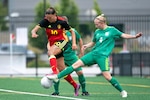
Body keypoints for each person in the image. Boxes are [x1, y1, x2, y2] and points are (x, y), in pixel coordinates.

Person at [46, 14, 143, 98]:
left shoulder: (112, 30)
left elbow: (123, 35)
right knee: (75, 65)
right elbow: (93, 43)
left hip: (102, 56)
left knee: (107, 76)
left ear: (102, 22)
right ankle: (57, 77)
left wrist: (134, 37)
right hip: (93, 54)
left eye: (96, 24)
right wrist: (86, 46)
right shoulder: (97, 32)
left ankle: (122, 91)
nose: (95, 26)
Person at [31, 7, 80, 96]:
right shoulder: (45, 21)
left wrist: (73, 44)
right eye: (47, 17)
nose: (48, 19)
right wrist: (33, 33)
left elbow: (72, 32)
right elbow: (35, 29)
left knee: (50, 53)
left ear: (55, 15)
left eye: (50, 17)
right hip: (54, 45)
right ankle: (75, 85)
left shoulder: (62, 22)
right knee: (61, 69)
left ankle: (54, 72)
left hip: (63, 42)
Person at [51, 16, 89, 96]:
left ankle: (84, 91)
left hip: (71, 56)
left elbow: (80, 39)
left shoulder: (73, 31)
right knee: (57, 73)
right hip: (61, 57)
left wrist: (81, 51)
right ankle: (56, 92)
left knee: (80, 72)